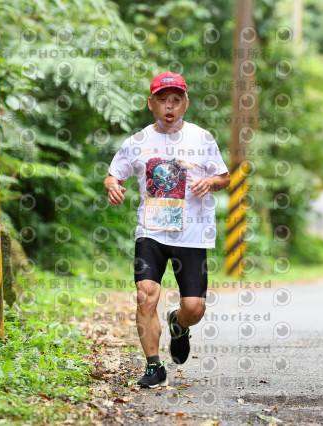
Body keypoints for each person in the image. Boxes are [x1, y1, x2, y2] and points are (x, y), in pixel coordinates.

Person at [104, 72, 230, 388]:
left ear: (186, 103)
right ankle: (153, 367)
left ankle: (179, 323)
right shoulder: (137, 142)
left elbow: (224, 177)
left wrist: (210, 182)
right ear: (151, 104)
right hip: (151, 232)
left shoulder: (202, 138)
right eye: (162, 100)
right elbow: (113, 174)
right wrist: (112, 185)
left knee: (194, 308)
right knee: (145, 294)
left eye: (176, 100)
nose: (169, 106)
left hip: (192, 233)